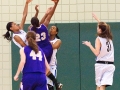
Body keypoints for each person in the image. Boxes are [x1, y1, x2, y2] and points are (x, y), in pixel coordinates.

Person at [30, 0, 63, 90]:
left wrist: (38, 13)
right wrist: (55, 4)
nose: (51, 28)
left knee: (43, 69)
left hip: (42, 52)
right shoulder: (44, 27)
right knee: (45, 78)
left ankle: (55, 82)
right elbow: (50, 16)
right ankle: (56, 82)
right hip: (47, 49)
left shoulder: (31, 30)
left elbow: (35, 23)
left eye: (53, 28)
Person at [82, 21, 115, 90]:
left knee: (99, 85)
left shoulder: (98, 39)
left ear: (100, 29)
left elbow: (96, 53)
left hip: (101, 65)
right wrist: (97, 19)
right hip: (110, 65)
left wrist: (89, 45)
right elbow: (105, 27)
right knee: (102, 85)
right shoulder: (109, 38)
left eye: (98, 27)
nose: (97, 28)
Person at [47, 26, 62, 90]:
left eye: (53, 28)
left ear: (56, 32)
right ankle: (57, 83)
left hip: (52, 65)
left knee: (50, 85)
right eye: (50, 28)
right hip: (44, 64)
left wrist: (44, 43)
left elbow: (53, 47)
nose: (51, 29)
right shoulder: (45, 39)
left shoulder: (58, 41)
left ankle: (57, 83)